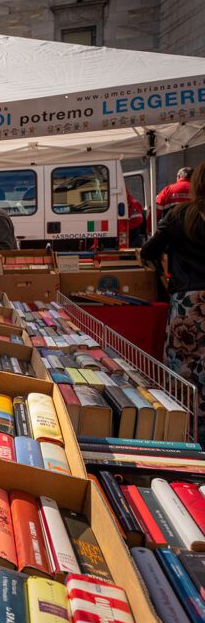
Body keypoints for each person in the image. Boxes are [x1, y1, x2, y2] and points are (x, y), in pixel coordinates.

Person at [140, 163, 205, 441]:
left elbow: (149, 250)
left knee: (185, 374)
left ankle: (189, 435)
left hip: (189, 303)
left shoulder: (179, 215)